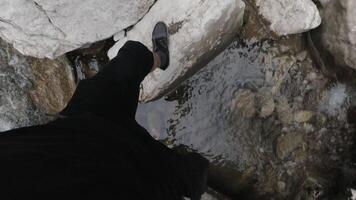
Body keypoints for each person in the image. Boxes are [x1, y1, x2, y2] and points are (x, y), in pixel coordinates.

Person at [0, 22, 209, 200]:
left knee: (129, 58)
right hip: (125, 181)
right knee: (189, 174)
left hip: (78, 129)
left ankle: (160, 58)